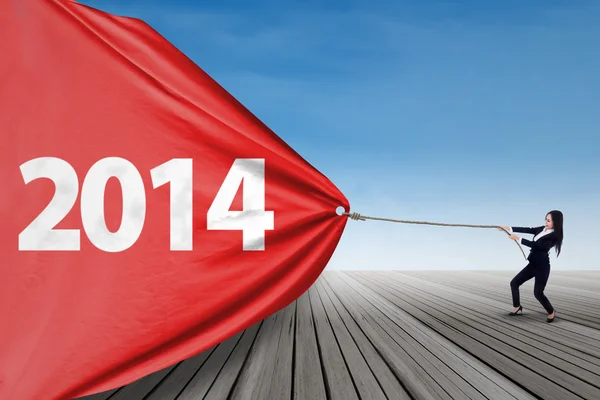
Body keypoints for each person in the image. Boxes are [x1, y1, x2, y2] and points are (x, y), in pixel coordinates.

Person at [498, 210, 564, 322]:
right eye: (545, 219)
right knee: (514, 283)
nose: (546, 222)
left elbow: (537, 246)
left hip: (542, 267)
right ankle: (517, 307)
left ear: (556, 222)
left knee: (538, 293)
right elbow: (528, 230)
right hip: (532, 264)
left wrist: (518, 238)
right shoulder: (542, 229)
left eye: (549, 220)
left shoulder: (555, 237)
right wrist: (508, 228)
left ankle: (551, 311)